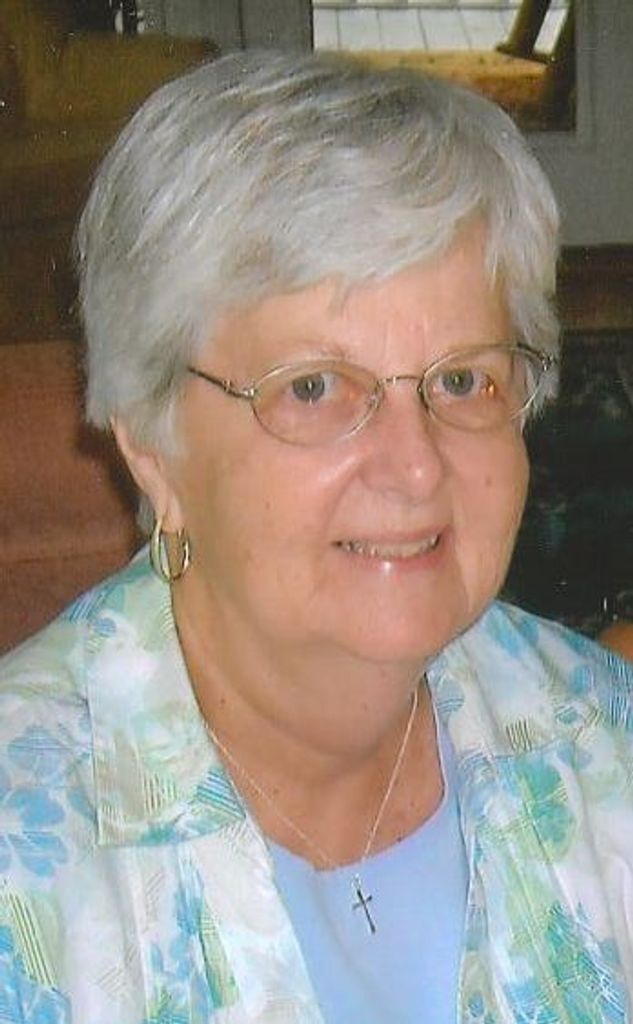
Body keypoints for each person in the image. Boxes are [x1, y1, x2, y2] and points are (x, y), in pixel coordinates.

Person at [1, 51, 632, 1024]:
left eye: (461, 379)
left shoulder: (603, 742)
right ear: (152, 448)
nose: (414, 466)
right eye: (313, 388)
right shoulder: (22, 850)